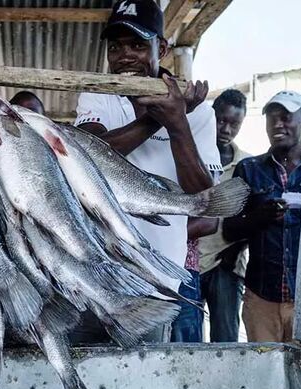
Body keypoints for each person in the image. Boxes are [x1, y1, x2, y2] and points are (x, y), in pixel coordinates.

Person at [75, 0, 222, 343]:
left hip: (154, 284)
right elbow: (92, 155)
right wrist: (154, 118)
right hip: (92, 274)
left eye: (138, 45)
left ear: (163, 47)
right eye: (116, 46)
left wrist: (179, 123)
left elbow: (204, 199)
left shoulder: (199, 112)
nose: (125, 55)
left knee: (139, 386)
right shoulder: (97, 94)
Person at [222, 90, 301, 343]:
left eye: (285, 117)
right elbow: (229, 229)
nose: (278, 125)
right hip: (261, 298)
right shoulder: (249, 169)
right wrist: (259, 217)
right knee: (262, 375)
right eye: (271, 119)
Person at [199, 89, 251, 342]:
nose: (226, 129)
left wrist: (237, 249)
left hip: (226, 265)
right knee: (185, 340)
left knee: (227, 340)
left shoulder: (248, 166)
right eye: (221, 120)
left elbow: (254, 217)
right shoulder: (192, 157)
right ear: (211, 116)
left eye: (235, 124)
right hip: (191, 263)